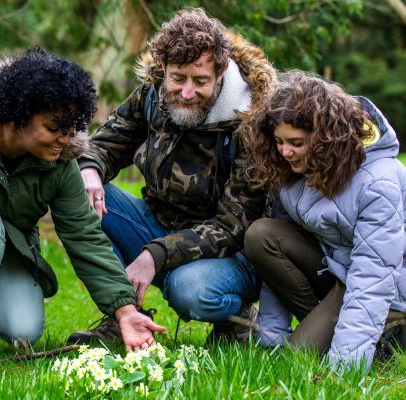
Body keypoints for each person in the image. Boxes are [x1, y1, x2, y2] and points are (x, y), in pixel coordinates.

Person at [0, 47, 164, 359]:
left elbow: (84, 235)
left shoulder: (61, 159)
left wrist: (125, 310)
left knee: (23, 330)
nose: (64, 139)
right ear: (15, 118)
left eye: (70, 128)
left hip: (10, 249)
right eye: (53, 129)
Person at [67, 8, 276, 345]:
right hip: (156, 222)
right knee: (76, 190)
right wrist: (89, 169)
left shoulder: (250, 121)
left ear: (221, 73)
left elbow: (232, 226)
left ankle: (237, 320)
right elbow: (105, 143)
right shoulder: (152, 94)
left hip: (227, 253)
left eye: (200, 81)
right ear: (164, 69)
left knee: (187, 290)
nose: (187, 92)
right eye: (178, 78)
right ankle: (123, 314)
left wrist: (155, 255)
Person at [242, 71, 406, 373]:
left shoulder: (378, 183)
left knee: (298, 359)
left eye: (296, 143)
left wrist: (344, 367)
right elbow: (274, 263)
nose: (285, 151)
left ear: (325, 140)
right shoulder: (289, 169)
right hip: (336, 272)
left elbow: (373, 278)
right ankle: (325, 330)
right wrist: (270, 337)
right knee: (261, 234)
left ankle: (383, 340)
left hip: (389, 291)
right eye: (278, 141)